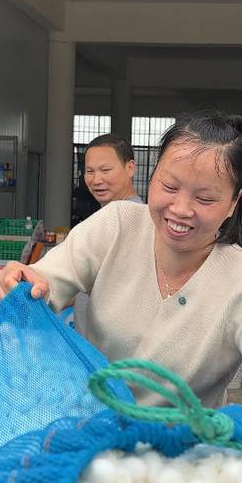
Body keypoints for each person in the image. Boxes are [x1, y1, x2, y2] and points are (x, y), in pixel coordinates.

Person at [0, 111, 242, 440]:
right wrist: (22, 284)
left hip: (179, 453)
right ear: (151, 175)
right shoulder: (116, 225)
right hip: (86, 433)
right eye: (169, 186)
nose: (180, 209)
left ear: (233, 203)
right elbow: (44, 284)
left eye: (204, 198)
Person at [73, 133, 145, 335]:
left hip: (113, 345)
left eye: (105, 170)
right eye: (90, 171)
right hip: (91, 343)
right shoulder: (103, 219)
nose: (96, 180)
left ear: (130, 168)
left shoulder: (133, 221)